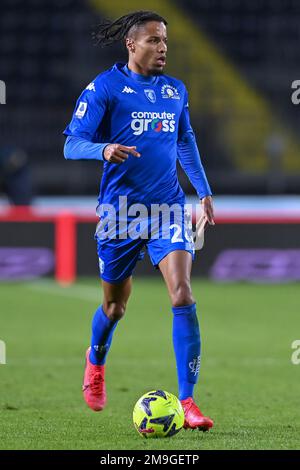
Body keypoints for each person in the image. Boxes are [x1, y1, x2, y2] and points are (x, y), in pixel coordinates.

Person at [63, 10, 215, 431]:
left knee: (182, 294)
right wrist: (103, 149)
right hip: (120, 215)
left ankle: (187, 402)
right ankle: (95, 362)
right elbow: (72, 144)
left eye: (164, 40)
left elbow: (185, 140)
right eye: (153, 40)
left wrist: (202, 191)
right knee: (114, 307)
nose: (162, 47)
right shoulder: (105, 88)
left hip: (167, 208)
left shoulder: (175, 91)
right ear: (131, 45)